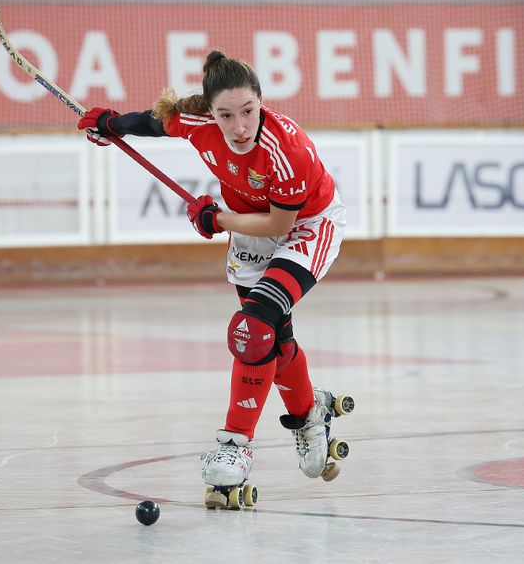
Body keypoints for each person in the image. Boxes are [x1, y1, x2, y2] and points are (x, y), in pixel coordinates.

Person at [77, 50, 350, 500]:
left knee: (253, 328)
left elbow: (279, 224)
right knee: (271, 340)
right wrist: (111, 124)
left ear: (261, 102)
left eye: (248, 111)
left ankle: (233, 447)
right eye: (226, 115)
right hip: (249, 230)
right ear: (210, 112)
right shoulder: (198, 123)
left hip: (306, 227)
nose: (240, 127)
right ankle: (309, 414)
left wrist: (216, 219)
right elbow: (157, 122)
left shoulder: (288, 150)